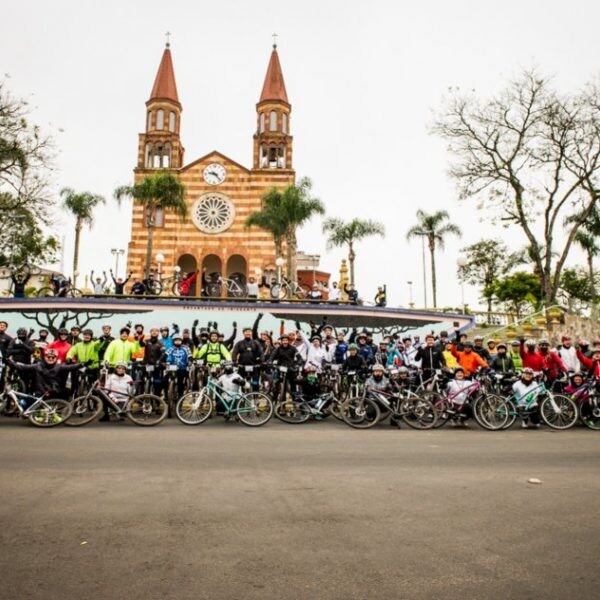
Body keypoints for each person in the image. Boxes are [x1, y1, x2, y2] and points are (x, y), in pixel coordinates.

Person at [7, 347, 82, 401]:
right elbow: (23, 367)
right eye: (48, 357)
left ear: (56, 358)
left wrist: (83, 364)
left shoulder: (59, 366)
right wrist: (12, 363)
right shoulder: (37, 366)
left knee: (66, 391)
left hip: (53, 391)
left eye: (53, 357)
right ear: (45, 357)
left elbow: (72, 367)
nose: (50, 359)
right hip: (39, 392)